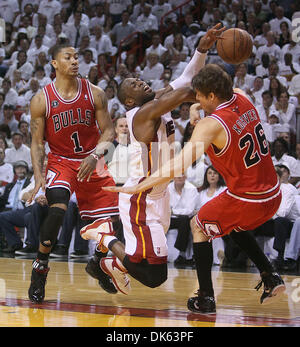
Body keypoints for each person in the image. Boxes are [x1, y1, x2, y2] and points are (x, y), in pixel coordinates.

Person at [108, 64, 286, 313]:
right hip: (273, 195)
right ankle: (270, 275)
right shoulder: (242, 96)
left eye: (199, 96)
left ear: (211, 96)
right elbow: (224, 98)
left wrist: (139, 186)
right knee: (228, 223)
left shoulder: (211, 125)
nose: (196, 100)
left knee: (199, 225)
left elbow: (177, 165)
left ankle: (205, 297)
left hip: (248, 199)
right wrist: (196, 107)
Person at [80, 24, 226, 295]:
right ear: (129, 100)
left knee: (148, 263)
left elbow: (184, 78)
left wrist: (202, 48)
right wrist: (220, 94)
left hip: (161, 194)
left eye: (139, 79)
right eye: (134, 84)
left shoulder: (155, 101)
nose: (141, 81)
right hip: (142, 197)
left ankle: (104, 264)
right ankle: (104, 235)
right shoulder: (141, 114)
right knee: (154, 276)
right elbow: (184, 92)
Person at [27, 42, 119, 303]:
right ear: (55, 63)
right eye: (68, 57)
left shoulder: (96, 93)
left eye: (77, 57)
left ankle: (98, 263)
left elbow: (109, 133)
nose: (75, 61)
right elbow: (36, 142)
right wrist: (38, 176)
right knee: (57, 209)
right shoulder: (41, 99)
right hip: (61, 161)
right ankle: (40, 266)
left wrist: (95, 155)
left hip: (92, 159)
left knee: (112, 222)